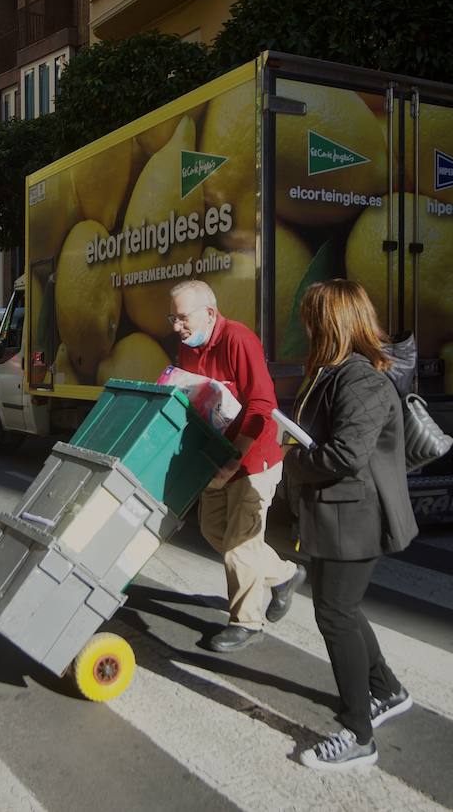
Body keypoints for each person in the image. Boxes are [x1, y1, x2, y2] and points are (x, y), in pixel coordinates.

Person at [282, 279, 419, 771]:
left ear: (331, 322)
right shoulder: (333, 371)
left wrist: (294, 458)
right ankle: (388, 690)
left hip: (355, 517)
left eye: (311, 318)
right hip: (338, 513)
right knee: (344, 607)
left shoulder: (360, 378)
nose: (306, 326)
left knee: (334, 615)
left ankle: (359, 734)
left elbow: (345, 453)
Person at [169, 279, 305, 652]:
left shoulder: (239, 340)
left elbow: (262, 405)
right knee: (213, 530)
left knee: (239, 545)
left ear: (210, 313)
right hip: (216, 457)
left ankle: (246, 621)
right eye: (173, 318)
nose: (177, 327)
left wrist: (235, 459)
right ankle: (284, 575)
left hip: (252, 460)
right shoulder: (188, 349)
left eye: (183, 318)